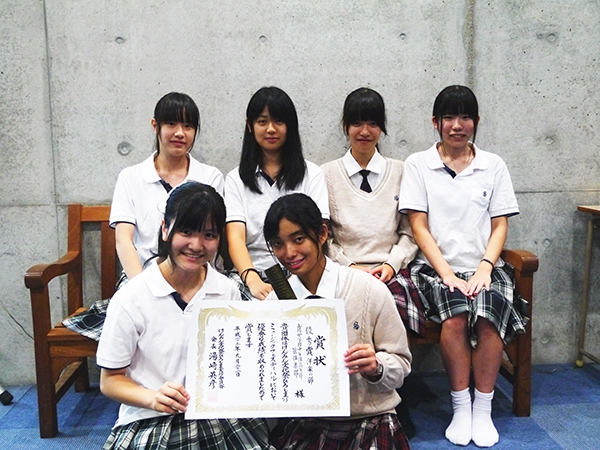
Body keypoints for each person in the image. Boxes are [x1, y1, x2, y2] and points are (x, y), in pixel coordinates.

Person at [398, 85, 527, 447]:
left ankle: (482, 408)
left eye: (465, 117)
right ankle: (460, 407)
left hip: (485, 266)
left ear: (476, 121)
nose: (457, 125)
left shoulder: (493, 164)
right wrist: (448, 274)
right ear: (435, 122)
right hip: (434, 269)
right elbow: (418, 227)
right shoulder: (418, 164)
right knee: (454, 316)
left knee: (489, 312)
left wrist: (486, 267)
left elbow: (499, 225)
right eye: (449, 118)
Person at [97, 182, 270, 449]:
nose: (196, 245)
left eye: (209, 235)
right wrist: (152, 397)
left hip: (215, 415)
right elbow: (110, 380)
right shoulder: (132, 297)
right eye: (186, 231)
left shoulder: (227, 291)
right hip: (150, 417)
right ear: (165, 229)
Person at [63, 92, 224, 340]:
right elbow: (123, 240)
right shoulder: (131, 177)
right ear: (155, 126)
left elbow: (211, 239)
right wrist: (144, 289)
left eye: (188, 126)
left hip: (194, 274)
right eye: (171, 124)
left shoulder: (210, 177)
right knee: (133, 325)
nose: (180, 133)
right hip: (142, 276)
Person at [263, 193, 412, 450]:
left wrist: (376, 366)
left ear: (322, 234)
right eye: (278, 244)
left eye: (298, 239)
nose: (289, 253)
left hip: (369, 417)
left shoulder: (368, 290)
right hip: (307, 420)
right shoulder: (275, 302)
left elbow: (401, 364)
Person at [321, 87, 423, 337]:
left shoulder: (401, 171)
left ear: (382, 127)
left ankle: (391, 364)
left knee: (393, 319)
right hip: (343, 271)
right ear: (345, 126)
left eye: (373, 124)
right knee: (344, 319)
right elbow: (324, 237)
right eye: (357, 123)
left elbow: (410, 233)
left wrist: (391, 265)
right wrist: (349, 266)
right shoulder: (326, 174)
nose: (365, 131)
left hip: (392, 272)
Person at [224, 86, 329, 301]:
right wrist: (252, 279)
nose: (271, 129)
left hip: (301, 271)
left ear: (290, 125)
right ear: (250, 126)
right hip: (251, 272)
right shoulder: (236, 178)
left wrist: (294, 280)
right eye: (262, 121)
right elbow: (235, 237)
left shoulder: (312, 174)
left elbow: (317, 234)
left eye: (279, 121)